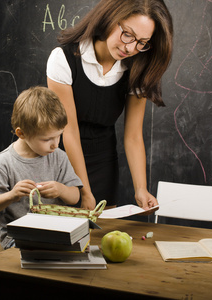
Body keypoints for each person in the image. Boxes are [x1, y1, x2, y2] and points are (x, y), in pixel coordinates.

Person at [46, 0, 173, 211]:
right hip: (60, 158)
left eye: (142, 42)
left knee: (101, 239)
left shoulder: (138, 67)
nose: (131, 48)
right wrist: (84, 190)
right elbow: (69, 131)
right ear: (110, 18)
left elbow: (133, 135)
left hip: (104, 159)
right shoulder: (64, 59)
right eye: (128, 34)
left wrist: (140, 188)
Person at [0, 86, 83, 249]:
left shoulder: (59, 157)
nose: (55, 144)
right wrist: (12, 195)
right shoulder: (3, 163)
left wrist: (62, 190)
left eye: (59, 135)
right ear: (21, 134)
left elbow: (75, 197)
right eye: (47, 139)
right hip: (17, 237)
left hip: (56, 232)